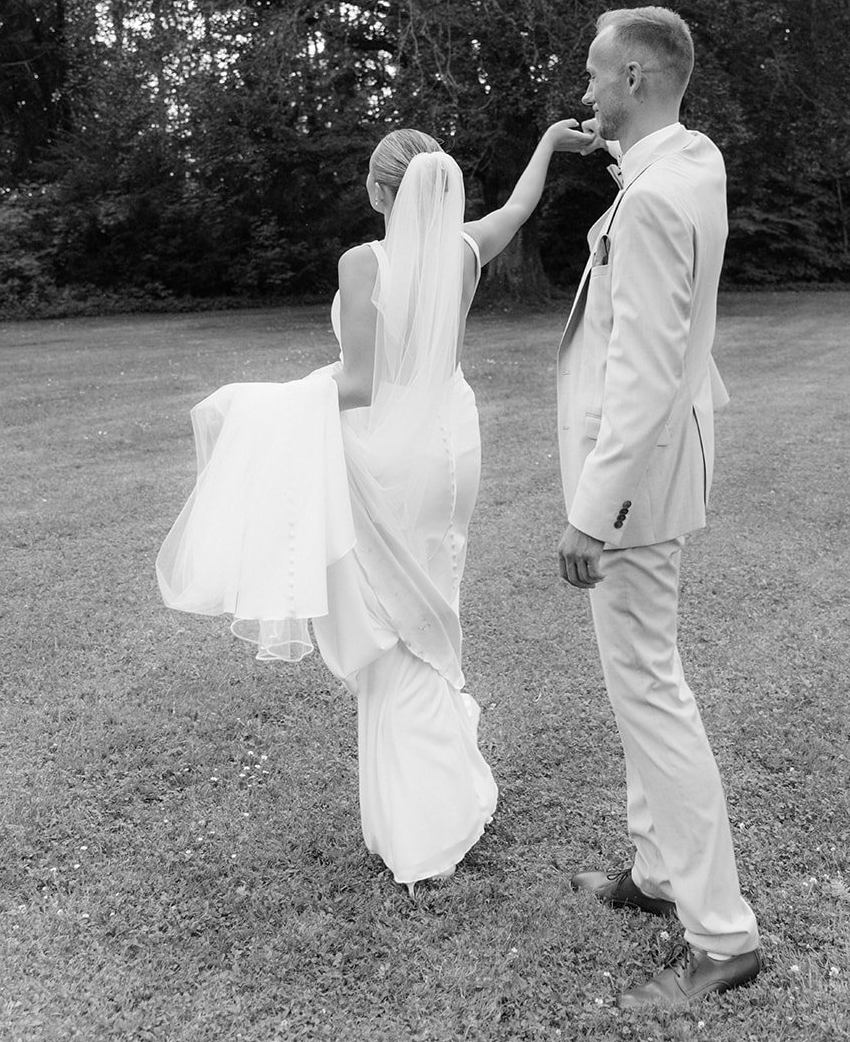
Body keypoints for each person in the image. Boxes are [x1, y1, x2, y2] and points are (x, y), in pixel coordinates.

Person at [157, 117, 592, 889]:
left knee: (392, 624)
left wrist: (261, 402)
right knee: (433, 601)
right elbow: (518, 210)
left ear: (377, 189)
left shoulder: (364, 261)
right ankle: (439, 786)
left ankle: (426, 823)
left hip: (388, 452)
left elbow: (356, 386)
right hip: (451, 449)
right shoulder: (461, 253)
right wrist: (547, 147)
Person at [555, 6, 762, 1010]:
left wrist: (592, 511)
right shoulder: (689, 161)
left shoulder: (649, 200)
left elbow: (638, 374)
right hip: (670, 465)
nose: (583, 89)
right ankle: (651, 872)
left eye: (595, 74)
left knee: (648, 689)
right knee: (642, 676)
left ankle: (719, 934)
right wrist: (612, 154)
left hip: (634, 486)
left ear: (633, 75)